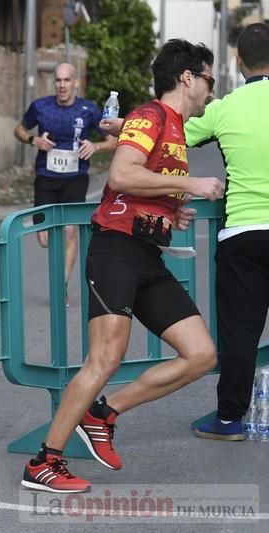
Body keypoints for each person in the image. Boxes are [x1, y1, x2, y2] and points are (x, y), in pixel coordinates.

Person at [21, 39, 224, 493]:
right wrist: (191, 182)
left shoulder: (174, 127)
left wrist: (171, 207)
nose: (211, 89)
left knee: (201, 354)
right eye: (209, 79)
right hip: (115, 249)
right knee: (105, 358)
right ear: (187, 78)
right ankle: (44, 462)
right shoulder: (151, 116)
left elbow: (145, 185)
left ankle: (102, 414)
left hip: (147, 255)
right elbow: (122, 174)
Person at [185, 23, 269, 441]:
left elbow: (173, 136)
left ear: (238, 61)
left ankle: (229, 419)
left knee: (240, 330)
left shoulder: (225, 108)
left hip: (245, 231)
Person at [14, 63, 117, 304]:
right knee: (45, 238)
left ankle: (60, 286)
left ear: (75, 82)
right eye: (58, 80)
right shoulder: (41, 107)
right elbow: (19, 129)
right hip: (46, 177)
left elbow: (113, 139)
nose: (62, 85)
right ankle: (57, 260)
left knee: (70, 232)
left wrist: (96, 146)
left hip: (75, 178)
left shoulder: (88, 110)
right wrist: (33, 140)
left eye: (67, 80)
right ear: (54, 83)